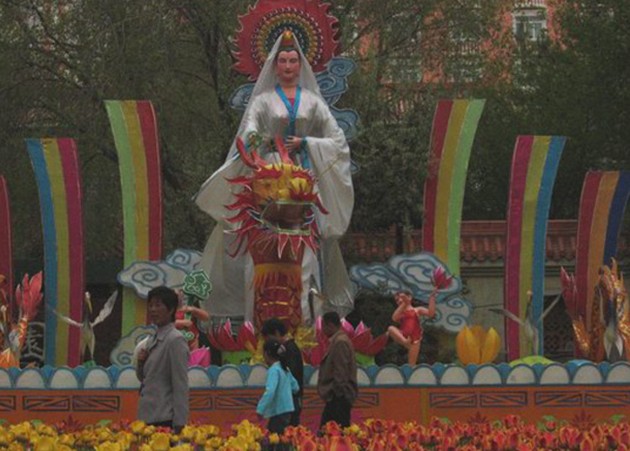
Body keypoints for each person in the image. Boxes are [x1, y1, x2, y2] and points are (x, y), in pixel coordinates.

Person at [194, 30, 354, 326]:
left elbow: (337, 140)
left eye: (293, 60)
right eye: (283, 61)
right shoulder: (263, 101)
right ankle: (256, 322)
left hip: (302, 180)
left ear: (301, 65)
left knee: (306, 249)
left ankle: (307, 322)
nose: (288, 66)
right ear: (273, 65)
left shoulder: (313, 102)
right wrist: (264, 142)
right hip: (269, 177)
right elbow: (248, 133)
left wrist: (307, 143)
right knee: (260, 243)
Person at [136, 286, 189, 433]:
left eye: (158, 305)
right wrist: (141, 362)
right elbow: (145, 378)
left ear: (171, 310)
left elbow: (180, 384)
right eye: (151, 305)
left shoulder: (175, 340)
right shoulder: (151, 340)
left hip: (164, 418)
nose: (153, 310)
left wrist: (180, 424)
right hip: (147, 416)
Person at [317, 311, 357, 429]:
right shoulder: (338, 341)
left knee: (334, 430)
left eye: (323, 326)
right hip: (337, 396)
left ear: (329, 325)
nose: (322, 330)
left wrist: (337, 393)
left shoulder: (340, 342)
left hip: (339, 397)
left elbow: (341, 371)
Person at [261, 317, 304, 426]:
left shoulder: (289, 350)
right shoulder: (287, 348)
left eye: (268, 338)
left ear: (276, 333)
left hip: (287, 404)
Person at [256, 338, 299, 436]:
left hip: (278, 411)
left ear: (266, 354)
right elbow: (295, 387)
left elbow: (270, 391)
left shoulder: (274, 370)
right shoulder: (284, 368)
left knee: (274, 438)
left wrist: (260, 409)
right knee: (284, 437)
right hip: (287, 410)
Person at [387, 290, 437, 365]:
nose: (399, 300)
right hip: (403, 336)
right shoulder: (401, 313)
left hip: (415, 338)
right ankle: (405, 342)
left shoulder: (417, 310)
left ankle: (408, 345)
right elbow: (394, 318)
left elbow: (431, 314)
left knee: (412, 364)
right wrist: (405, 302)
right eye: (397, 300)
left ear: (409, 297)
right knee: (390, 328)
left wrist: (432, 298)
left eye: (401, 298)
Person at [175, 292, 211, 366]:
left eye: (179, 296)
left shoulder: (187, 309)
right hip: (175, 342)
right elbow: (162, 324)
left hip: (192, 341)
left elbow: (206, 317)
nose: (177, 298)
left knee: (193, 362)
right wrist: (180, 323)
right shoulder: (166, 311)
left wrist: (193, 310)